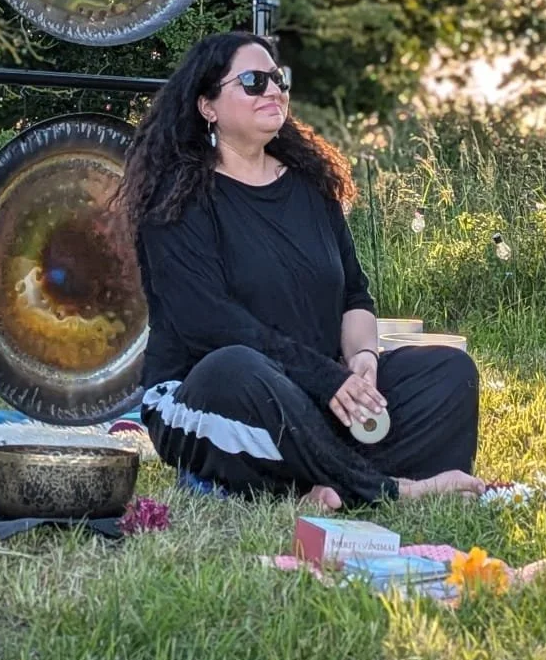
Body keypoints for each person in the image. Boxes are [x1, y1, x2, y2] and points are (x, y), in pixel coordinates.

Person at [118, 29, 488, 508]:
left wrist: (362, 364)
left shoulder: (312, 185)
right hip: (210, 395)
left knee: (446, 371)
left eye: (277, 78)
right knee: (238, 368)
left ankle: (310, 484)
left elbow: (355, 295)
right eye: (252, 81)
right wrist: (327, 380)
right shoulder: (178, 200)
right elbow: (211, 326)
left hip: (312, 395)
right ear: (207, 106)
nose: (273, 90)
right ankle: (389, 487)